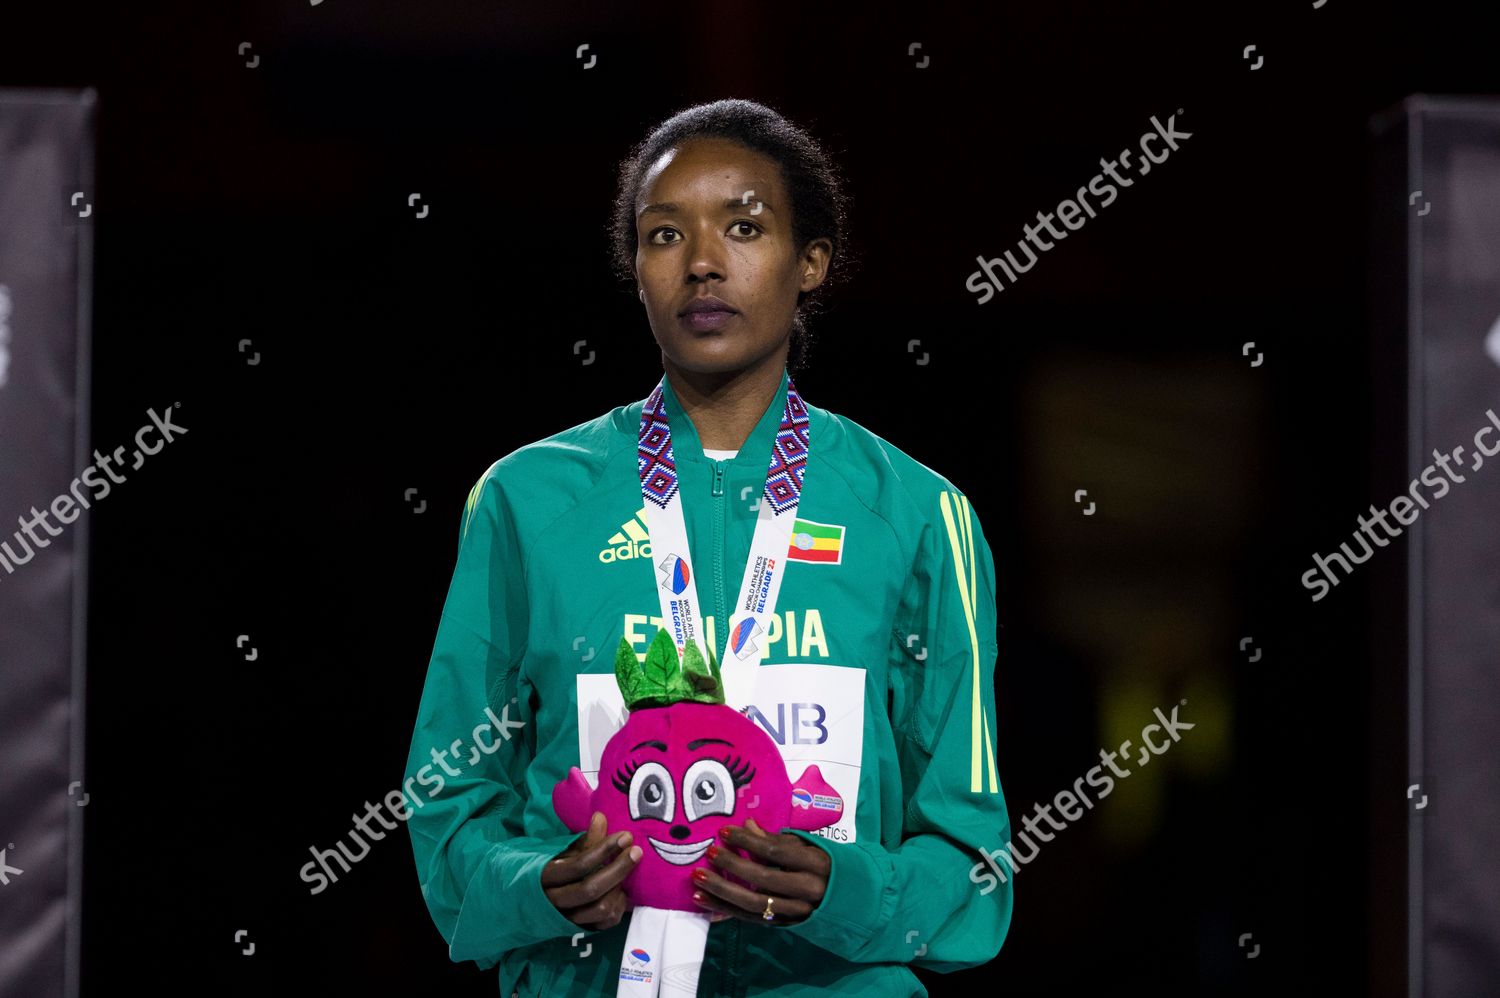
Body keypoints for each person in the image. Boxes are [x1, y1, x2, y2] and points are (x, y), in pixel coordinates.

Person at [403, 98, 1013, 998]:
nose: (700, 263)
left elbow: (976, 870)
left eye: (743, 226)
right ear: (635, 267)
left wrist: (844, 888)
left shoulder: (921, 516)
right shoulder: (525, 503)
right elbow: (448, 802)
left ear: (811, 262)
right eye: (662, 235)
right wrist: (536, 887)